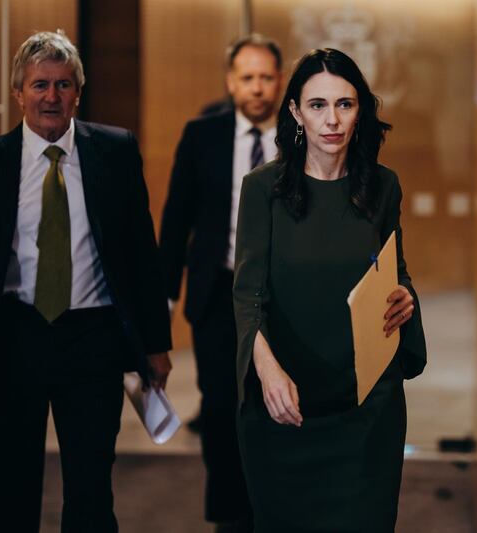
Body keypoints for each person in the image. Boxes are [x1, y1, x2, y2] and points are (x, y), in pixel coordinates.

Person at [0, 30, 172, 533]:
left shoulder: (115, 150)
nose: (51, 97)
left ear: (77, 93)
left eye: (64, 85)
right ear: (19, 92)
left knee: (90, 491)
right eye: (40, 85)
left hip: (93, 339)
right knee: (10, 490)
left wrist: (154, 343)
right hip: (12, 339)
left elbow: (140, 254)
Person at [233, 48, 427, 532]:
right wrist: (267, 371)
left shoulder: (383, 187)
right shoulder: (262, 189)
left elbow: (394, 272)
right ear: (296, 112)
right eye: (317, 105)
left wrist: (405, 295)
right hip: (287, 407)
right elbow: (248, 295)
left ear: (361, 111)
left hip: (367, 410)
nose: (332, 120)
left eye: (345, 104)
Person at [159, 33, 283, 532]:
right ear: (231, 82)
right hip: (217, 295)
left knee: (276, 404)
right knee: (219, 407)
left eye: (267, 78)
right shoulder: (201, 134)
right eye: (247, 78)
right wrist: (162, 305)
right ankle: (230, 515)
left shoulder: (301, 136)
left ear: (280, 82)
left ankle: (272, 509)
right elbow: (175, 222)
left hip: (281, 301)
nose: (257, 88)